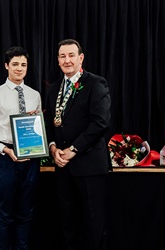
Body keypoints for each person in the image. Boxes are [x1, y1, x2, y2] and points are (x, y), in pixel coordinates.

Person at [44, 39, 112, 250]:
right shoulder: (54, 88)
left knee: (93, 223)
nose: (67, 60)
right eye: (62, 56)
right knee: (67, 222)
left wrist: (73, 150)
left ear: (81, 58)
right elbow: (49, 125)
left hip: (89, 165)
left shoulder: (96, 83)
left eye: (71, 55)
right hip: (63, 167)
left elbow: (100, 122)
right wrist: (53, 148)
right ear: (57, 60)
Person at [0, 46, 42, 250]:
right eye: (15, 64)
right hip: (7, 157)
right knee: (6, 214)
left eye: (23, 65)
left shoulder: (34, 95)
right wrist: (5, 150)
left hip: (31, 158)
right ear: (6, 66)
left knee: (26, 213)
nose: (19, 69)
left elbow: (38, 128)